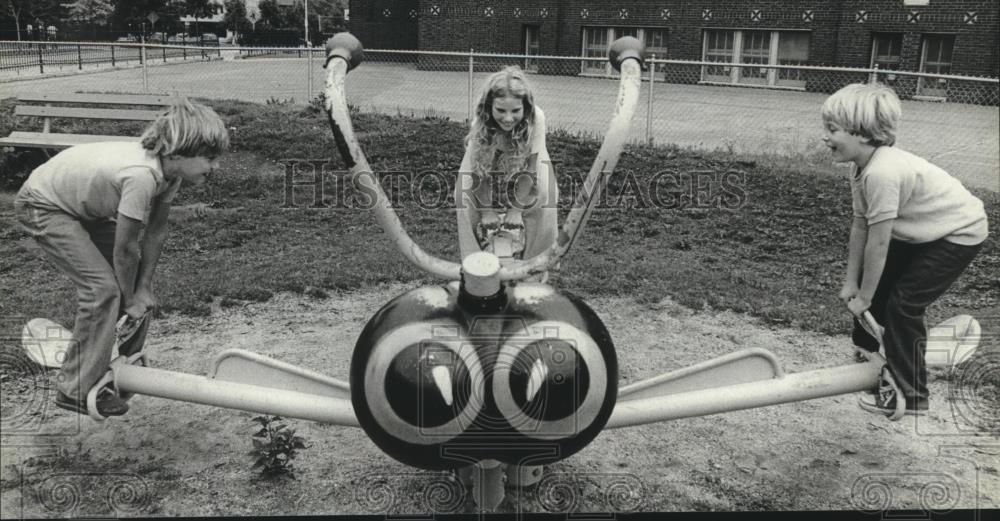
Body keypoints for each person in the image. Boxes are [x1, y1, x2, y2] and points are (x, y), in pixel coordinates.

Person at [14, 98, 229, 417]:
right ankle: (74, 389)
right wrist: (129, 297)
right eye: (209, 158)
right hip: (44, 205)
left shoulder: (170, 175)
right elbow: (125, 248)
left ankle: (122, 363)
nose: (215, 167)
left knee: (136, 294)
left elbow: (156, 232)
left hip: (84, 206)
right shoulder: (141, 175)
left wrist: (143, 288)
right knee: (102, 290)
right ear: (178, 151)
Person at [821, 83, 988, 416]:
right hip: (922, 229)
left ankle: (912, 397)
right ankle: (869, 351)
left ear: (863, 134)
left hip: (958, 233)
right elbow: (861, 226)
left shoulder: (883, 173)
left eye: (832, 129)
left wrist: (866, 296)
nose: (825, 137)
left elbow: (880, 243)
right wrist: (852, 282)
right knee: (876, 286)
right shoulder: (861, 167)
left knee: (904, 304)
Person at [455, 66, 557, 275]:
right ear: (489, 107)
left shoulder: (536, 118)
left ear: (525, 108)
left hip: (524, 158)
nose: (508, 118)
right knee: (464, 196)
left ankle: (534, 267)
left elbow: (530, 168)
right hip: (485, 163)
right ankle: (476, 266)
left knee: (546, 194)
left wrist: (516, 210)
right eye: (501, 110)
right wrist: (486, 211)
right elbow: (479, 170)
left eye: (515, 111)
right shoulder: (481, 122)